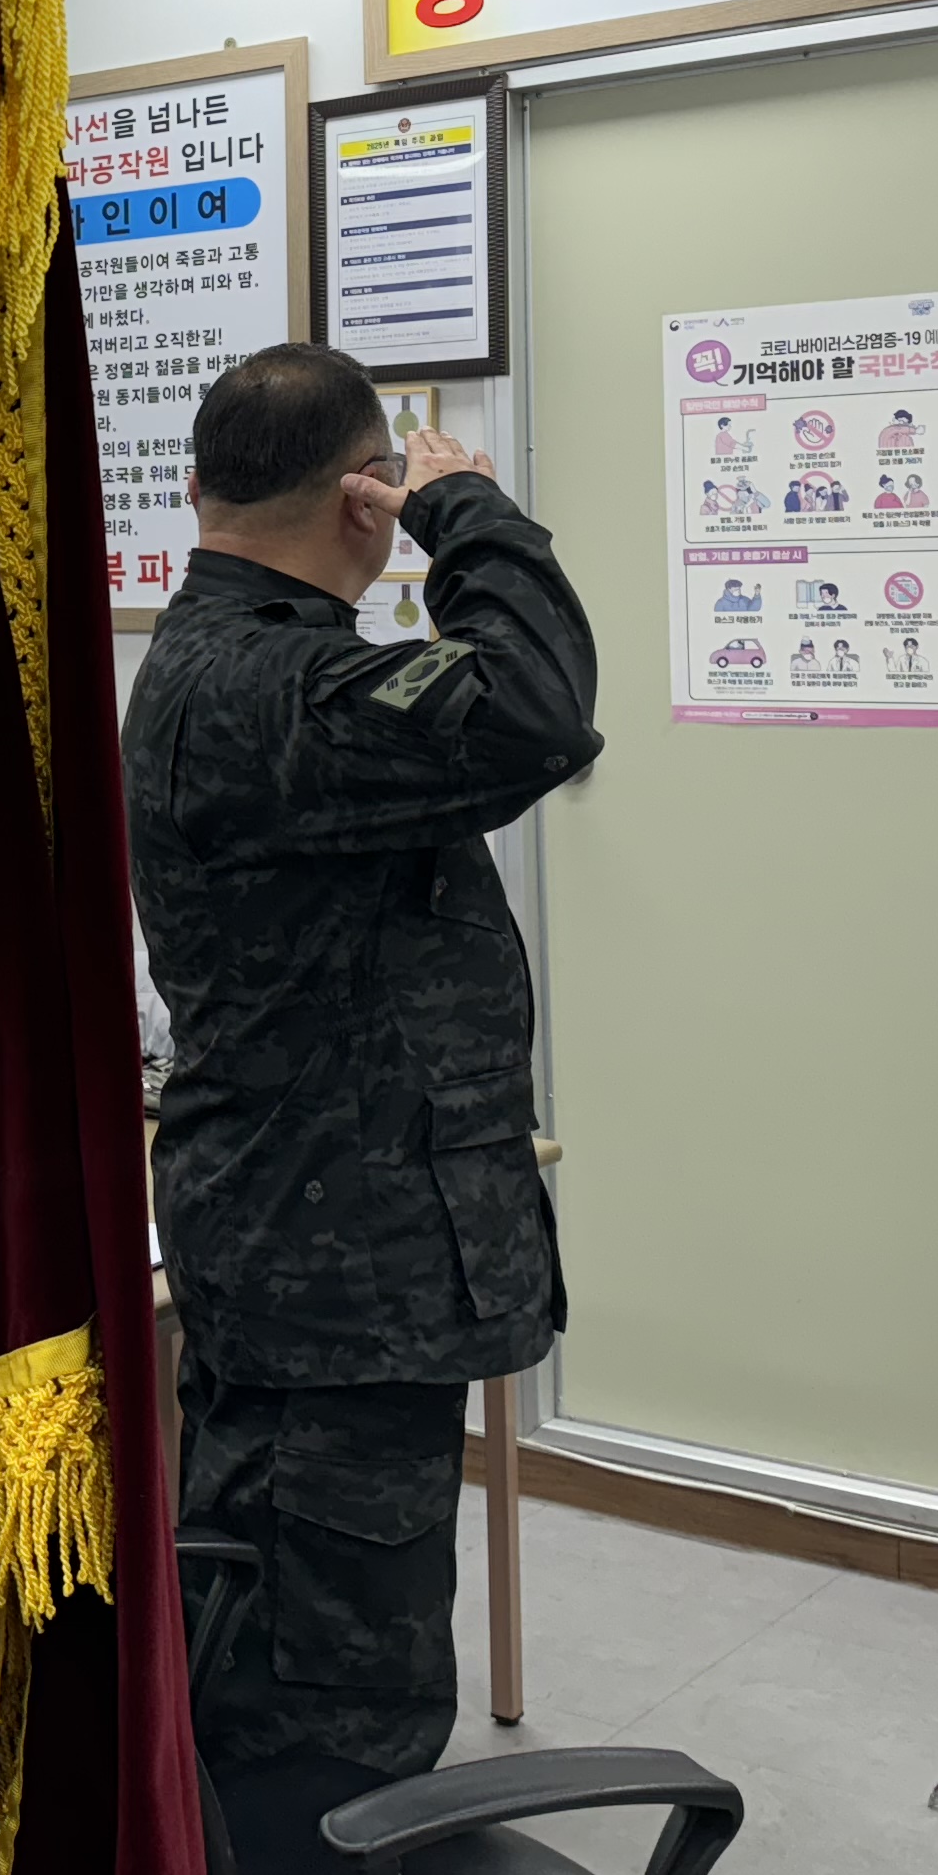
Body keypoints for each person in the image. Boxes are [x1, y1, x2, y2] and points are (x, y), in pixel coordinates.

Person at [125, 343, 599, 1796]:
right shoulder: (273, 684)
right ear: (361, 501)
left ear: (196, 490)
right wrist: (468, 513)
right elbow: (536, 708)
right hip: (330, 1259)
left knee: (310, 1603)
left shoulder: (239, 659)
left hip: (320, 1234)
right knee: (327, 1674)